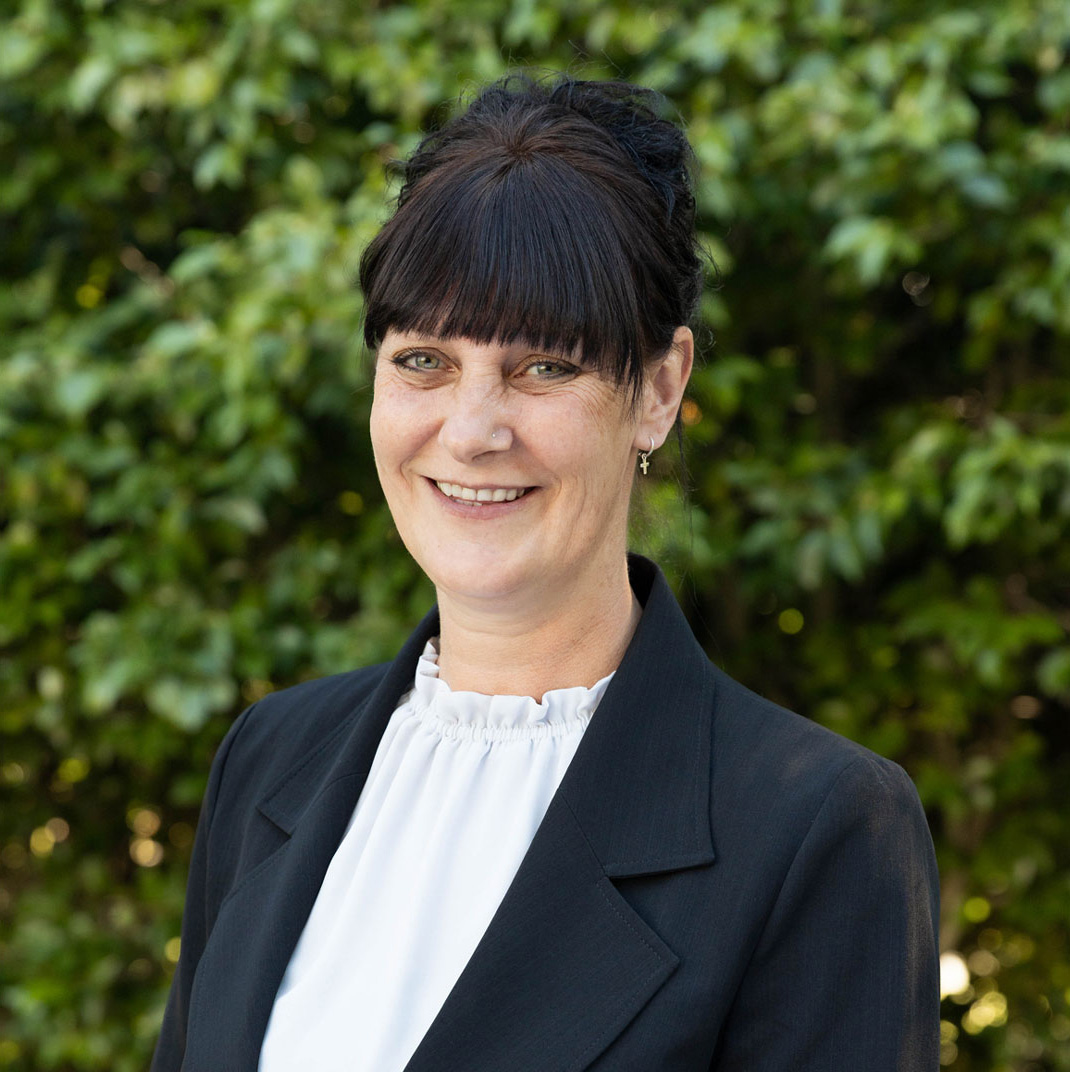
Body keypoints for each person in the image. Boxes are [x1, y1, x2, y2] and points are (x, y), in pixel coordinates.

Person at [152, 75, 940, 1072]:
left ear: (657, 390)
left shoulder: (812, 825)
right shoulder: (270, 760)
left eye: (544, 367)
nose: (471, 432)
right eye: (424, 360)